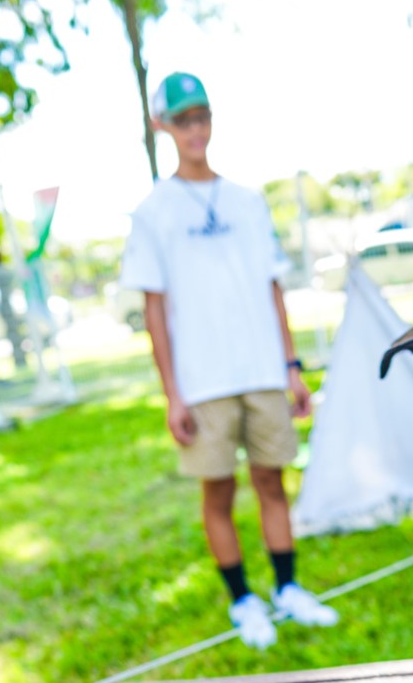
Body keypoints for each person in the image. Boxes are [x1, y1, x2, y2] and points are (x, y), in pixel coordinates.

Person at [120, 72, 338, 649]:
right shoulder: (153, 211)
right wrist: (172, 394)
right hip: (203, 381)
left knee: (272, 481)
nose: (196, 129)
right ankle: (243, 599)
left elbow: (273, 288)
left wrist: (291, 366)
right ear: (161, 125)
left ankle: (288, 589)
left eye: (203, 116)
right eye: (184, 119)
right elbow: (155, 310)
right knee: (217, 493)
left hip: (263, 371)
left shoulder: (246, 201)